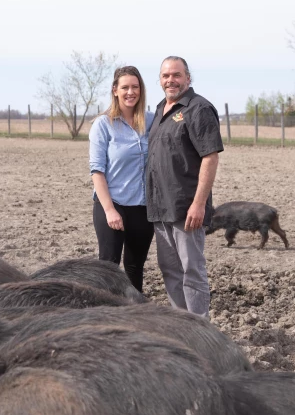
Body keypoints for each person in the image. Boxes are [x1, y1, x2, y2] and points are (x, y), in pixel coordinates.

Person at [145, 56, 223, 317]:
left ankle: (199, 327)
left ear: (188, 78)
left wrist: (199, 204)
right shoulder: (160, 110)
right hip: (160, 208)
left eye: (176, 75)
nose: (171, 80)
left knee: (191, 271)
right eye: (166, 76)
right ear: (160, 80)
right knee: (170, 271)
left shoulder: (199, 109)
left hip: (186, 208)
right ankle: (182, 325)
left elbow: (210, 157)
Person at [88, 65, 155, 292]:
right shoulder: (103, 124)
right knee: (108, 267)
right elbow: (97, 171)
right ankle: (103, 309)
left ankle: (133, 310)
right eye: (125, 87)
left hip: (142, 206)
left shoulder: (152, 121)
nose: (130, 92)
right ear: (115, 90)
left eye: (135, 87)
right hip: (112, 203)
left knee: (135, 267)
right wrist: (109, 210)